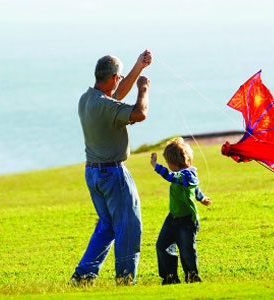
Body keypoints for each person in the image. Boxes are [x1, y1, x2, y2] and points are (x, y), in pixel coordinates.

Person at [70, 50, 152, 286]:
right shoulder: (106, 106)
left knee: (106, 226)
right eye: (120, 77)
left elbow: (115, 94)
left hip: (93, 173)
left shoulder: (87, 99)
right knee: (129, 227)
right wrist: (143, 89)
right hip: (113, 173)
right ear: (115, 77)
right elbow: (139, 114)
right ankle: (126, 280)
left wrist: (139, 66)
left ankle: (84, 276)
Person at [150, 137, 212, 285]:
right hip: (172, 218)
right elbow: (195, 190)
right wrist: (201, 198)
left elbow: (173, 177)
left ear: (174, 163)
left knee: (187, 252)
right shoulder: (184, 175)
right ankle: (170, 278)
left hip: (187, 221)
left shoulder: (187, 175)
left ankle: (192, 277)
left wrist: (155, 165)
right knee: (162, 246)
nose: (167, 165)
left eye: (167, 163)